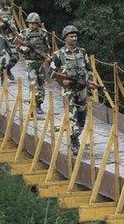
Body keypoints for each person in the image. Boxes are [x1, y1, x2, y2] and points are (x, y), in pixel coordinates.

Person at [50, 25, 94, 155]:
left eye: (75, 36)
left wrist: (89, 81)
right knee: (73, 116)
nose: (74, 38)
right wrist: (61, 81)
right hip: (68, 90)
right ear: (65, 38)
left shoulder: (82, 52)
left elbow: (89, 69)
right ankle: (74, 141)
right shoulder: (58, 55)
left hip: (82, 89)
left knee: (81, 118)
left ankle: (75, 137)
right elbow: (51, 72)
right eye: (71, 36)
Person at [17, 12, 51, 115]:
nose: (32, 25)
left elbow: (47, 47)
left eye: (35, 23)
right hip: (30, 62)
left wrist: (46, 55)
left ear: (38, 23)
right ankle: (33, 104)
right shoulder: (23, 33)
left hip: (40, 62)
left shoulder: (43, 33)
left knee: (41, 83)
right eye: (30, 23)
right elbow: (17, 46)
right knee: (33, 83)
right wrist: (23, 48)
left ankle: (39, 105)